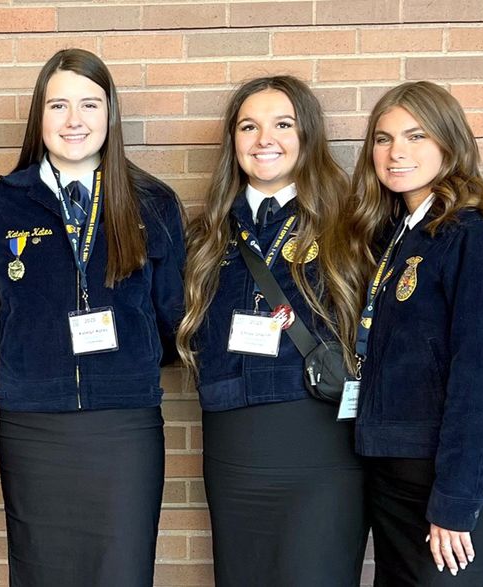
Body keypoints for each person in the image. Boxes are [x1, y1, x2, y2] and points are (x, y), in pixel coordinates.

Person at [0, 48, 185, 586]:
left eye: (90, 104)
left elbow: (172, 312)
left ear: (111, 114)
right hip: (33, 421)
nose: (74, 120)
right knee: (41, 570)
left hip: (124, 423)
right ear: (39, 116)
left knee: (122, 570)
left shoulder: (152, 202)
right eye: (58, 105)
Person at [349, 81, 483, 586]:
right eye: (383, 138)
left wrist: (456, 502)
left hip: (450, 482)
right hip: (396, 475)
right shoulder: (402, 236)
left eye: (416, 137)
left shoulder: (477, 237)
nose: (396, 153)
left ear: (449, 144)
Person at [174, 76, 369, 586]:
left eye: (283, 124)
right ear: (232, 140)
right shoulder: (207, 234)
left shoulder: (350, 226)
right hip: (233, 447)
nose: (265, 139)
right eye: (249, 126)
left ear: (307, 134)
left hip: (319, 444)